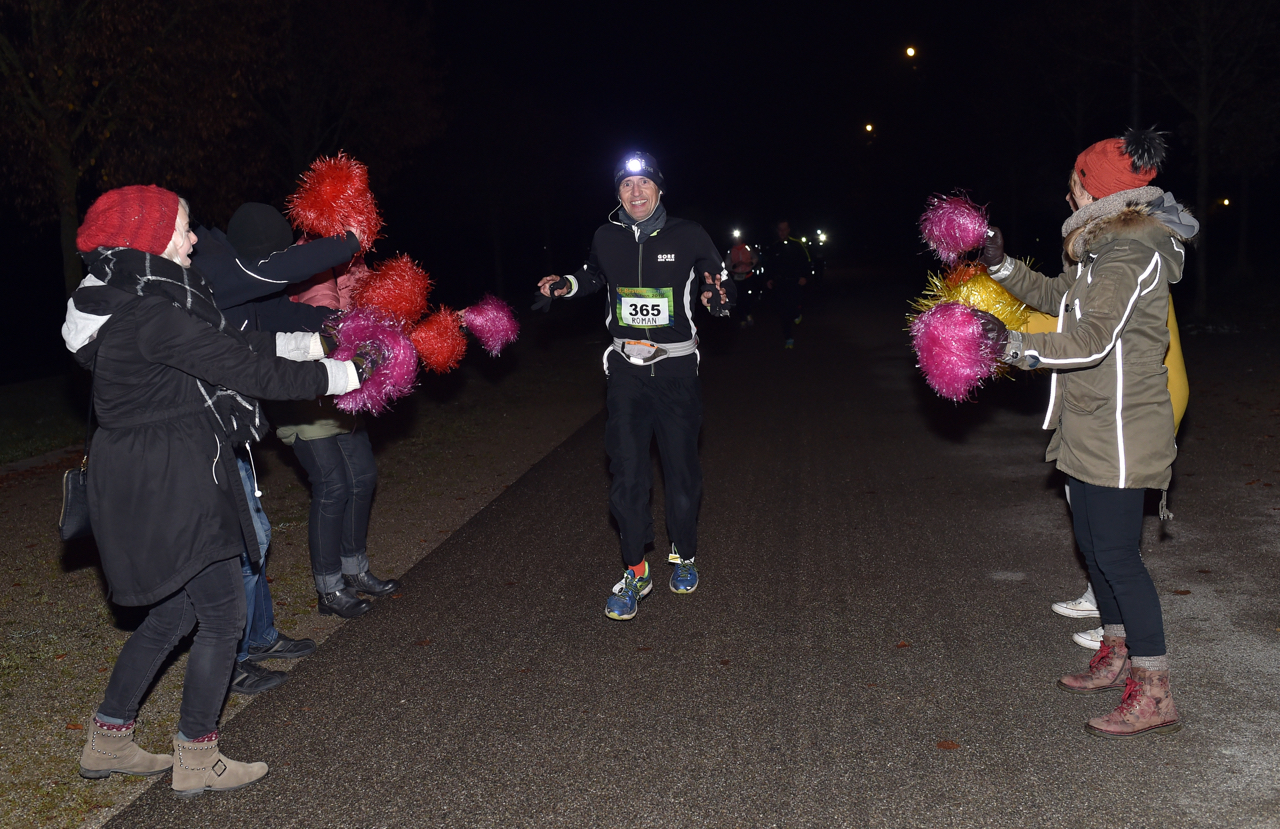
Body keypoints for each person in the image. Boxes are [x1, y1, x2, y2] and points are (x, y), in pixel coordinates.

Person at [65, 185, 365, 795]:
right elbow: (249, 369)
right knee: (224, 613)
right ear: (149, 238)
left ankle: (108, 738)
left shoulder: (138, 301)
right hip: (174, 476)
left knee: (172, 611)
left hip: (142, 475)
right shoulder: (153, 313)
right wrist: (350, 372)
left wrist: (319, 345)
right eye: (182, 228)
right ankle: (198, 756)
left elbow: (234, 343)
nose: (195, 238)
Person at [977, 128, 1198, 738]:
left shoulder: (1129, 254)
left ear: (1097, 190)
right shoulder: (1103, 250)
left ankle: (1155, 692)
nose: (1067, 191)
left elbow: (1091, 339)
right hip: (1090, 423)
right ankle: (1117, 651)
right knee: (1096, 549)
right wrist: (1001, 267)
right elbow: (1061, 299)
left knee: (1120, 558)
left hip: (1124, 430)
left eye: (1075, 181)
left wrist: (1012, 345)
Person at [535, 151, 733, 621]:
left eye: (644, 183)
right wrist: (564, 284)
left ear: (659, 189)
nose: (636, 192)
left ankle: (683, 553)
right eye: (627, 185)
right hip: (626, 371)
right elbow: (592, 276)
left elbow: (713, 275)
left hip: (676, 373)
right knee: (626, 471)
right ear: (618, 193)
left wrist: (716, 294)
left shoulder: (689, 234)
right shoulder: (607, 236)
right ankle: (635, 569)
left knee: (681, 472)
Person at [191, 202, 366, 694]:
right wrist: (347, 242)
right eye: (278, 251)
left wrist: (340, 326)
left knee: (258, 537)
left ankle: (261, 635)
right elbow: (268, 300)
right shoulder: (220, 276)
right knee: (238, 545)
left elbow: (282, 314)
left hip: (230, 431)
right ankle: (235, 657)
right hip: (201, 437)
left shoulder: (242, 290)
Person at [270, 254, 401, 618]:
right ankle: (329, 590)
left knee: (362, 477)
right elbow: (325, 316)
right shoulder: (311, 256)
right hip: (305, 386)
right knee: (333, 484)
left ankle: (354, 570)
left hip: (344, 384)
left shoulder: (354, 260)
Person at [760, 220, 810, 348]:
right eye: (779, 230)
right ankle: (788, 337)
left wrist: (804, 276)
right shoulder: (774, 247)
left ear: (788, 230)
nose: (782, 232)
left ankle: (796, 313)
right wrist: (769, 279)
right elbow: (769, 265)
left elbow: (806, 262)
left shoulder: (797, 245)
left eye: (784, 229)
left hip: (794, 282)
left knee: (793, 305)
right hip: (780, 283)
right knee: (783, 311)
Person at [727, 238, 758, 326]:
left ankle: (748, 314)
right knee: (739, 298)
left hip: (748, 276)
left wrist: (750, 263)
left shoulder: (748, 248)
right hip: (736, 277)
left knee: (748, 296)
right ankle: (742, 318)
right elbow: (726, 265)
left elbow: (755, 258)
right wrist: (735, 265)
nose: (737, 240)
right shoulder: (731, 251)